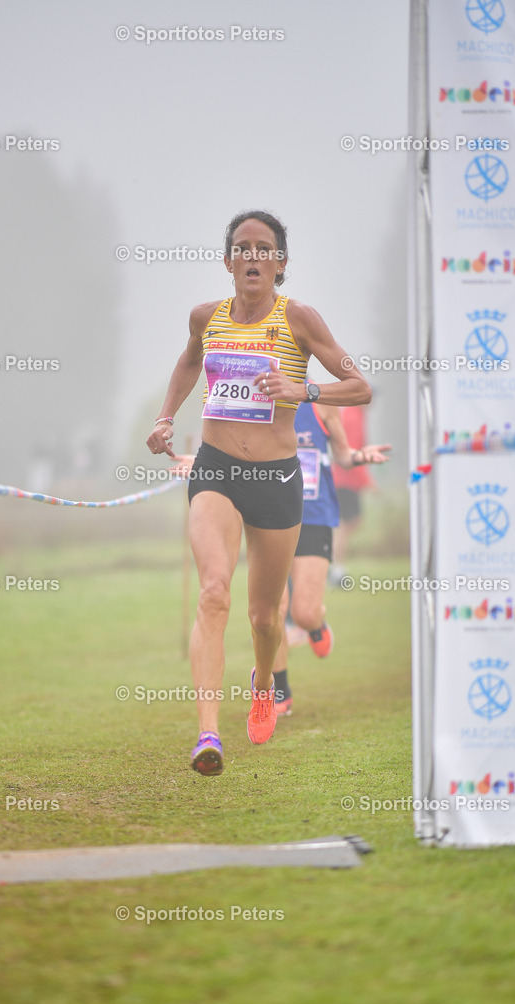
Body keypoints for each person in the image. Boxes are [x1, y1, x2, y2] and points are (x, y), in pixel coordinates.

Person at [146, 210, 371, 776]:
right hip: (217, 469)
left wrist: (303, 389)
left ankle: (265, 684)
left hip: (276, 478)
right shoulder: (206, 317)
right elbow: (188, 363)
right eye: (242, 248)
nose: (252, 256)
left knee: (265, 616)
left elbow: (359, 386)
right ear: (228, 261)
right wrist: (166, 417)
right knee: (214, 593)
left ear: (280, 262)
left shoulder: (299, 319)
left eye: (263, 248)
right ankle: (207, 735)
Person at [272, 399, 390, 716]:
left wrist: (359, 457)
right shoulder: (257, 403)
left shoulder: (321, 404)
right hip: (269, 517)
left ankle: (316, 623)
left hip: (314, 517)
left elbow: (343, 455)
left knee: (303, 613)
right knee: (273, 610)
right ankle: (279, 689)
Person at [330, 405, 375, 586]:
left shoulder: (353, 414)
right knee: (345, 525)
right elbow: (353, 452)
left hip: (346, 478)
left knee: (350, 523)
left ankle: (334, 565)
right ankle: (336, 568)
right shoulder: (353, 416)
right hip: (346, 479)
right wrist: (366, 480)